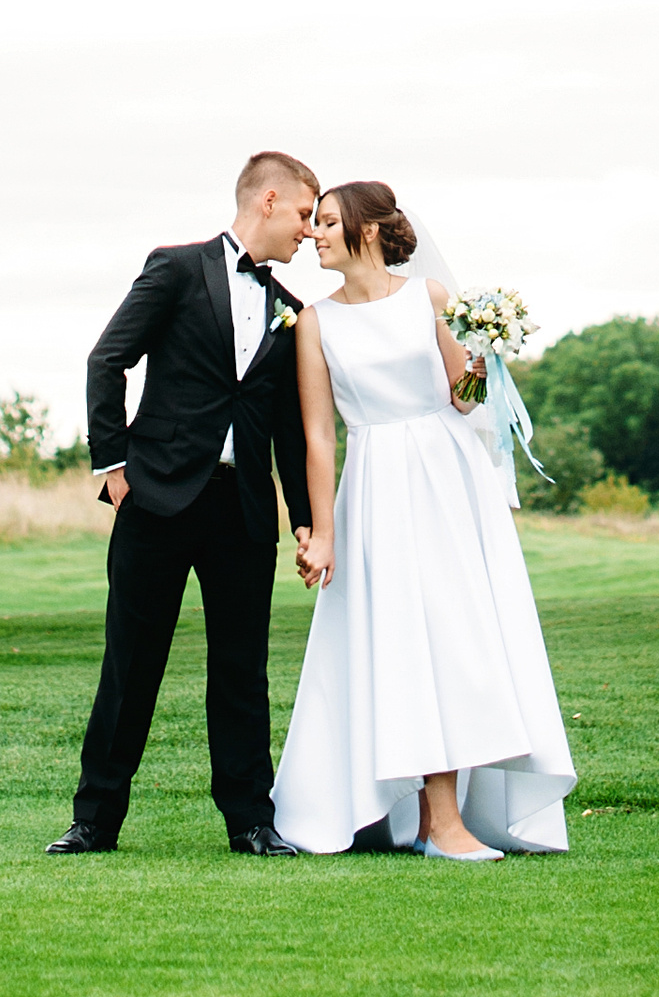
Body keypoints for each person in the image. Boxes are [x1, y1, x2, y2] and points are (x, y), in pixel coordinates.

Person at [271, 179, 575, 859]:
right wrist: (321, 532)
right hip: (377, 486)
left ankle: (451, 817)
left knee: (458, 635)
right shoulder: (315, 322)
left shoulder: (428, 298)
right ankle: (433, 823)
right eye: (313, 223)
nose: (313, 235)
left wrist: (483, 359)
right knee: (405, 639)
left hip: (447, 478)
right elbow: (320, 436)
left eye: (325, 222)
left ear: (369, 230)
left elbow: (462, 399)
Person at [48, 150, 319, 857]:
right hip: (156, 501)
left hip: (243, 513)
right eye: (301, 214)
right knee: (130, 664)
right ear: (266, 199)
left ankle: (250, 823)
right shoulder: (173, 267)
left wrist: (303, 522)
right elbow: (107, 360)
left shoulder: (291, 313)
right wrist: (113, 468)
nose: (308, 231)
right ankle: (94, 821)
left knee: (240, 671)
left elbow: (291, 430)